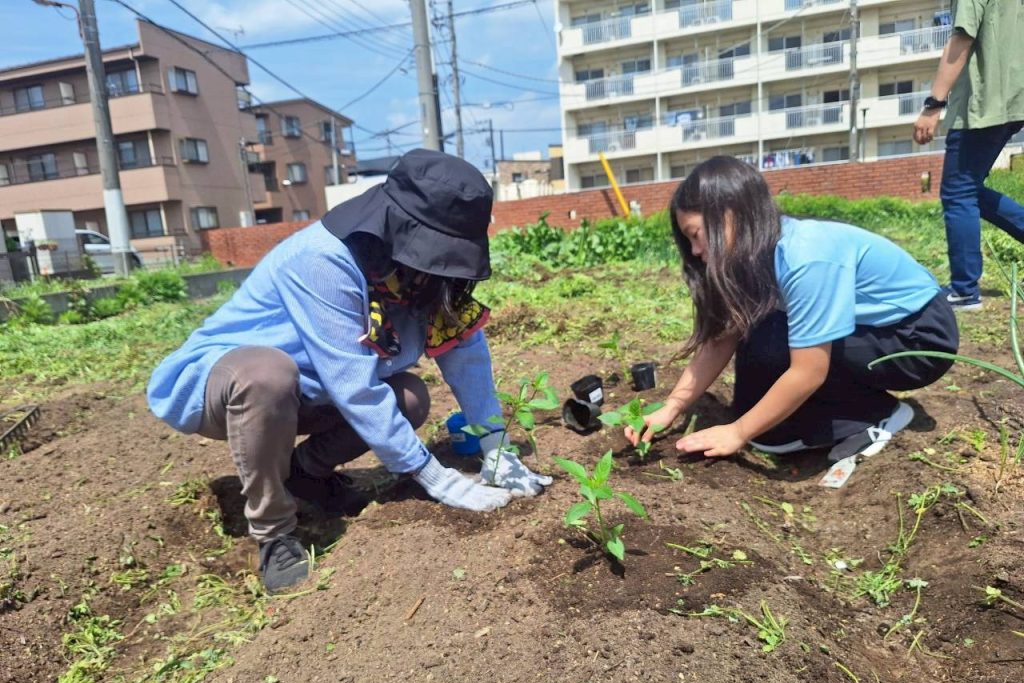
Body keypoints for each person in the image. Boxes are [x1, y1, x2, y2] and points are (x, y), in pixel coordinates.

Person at [147, 150, 551, 593]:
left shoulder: (419, 274)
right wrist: (438, 479)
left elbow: (464, 351)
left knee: (409, 397)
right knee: (267, 374)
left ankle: (305, 472)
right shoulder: (324, 258)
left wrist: (496, 449)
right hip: (227, 388)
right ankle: (273, 530)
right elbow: (354, 386)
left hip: (310, 392)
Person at [627, 156, 960, 462]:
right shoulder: (752, 257)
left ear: (731, 213)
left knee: (773, 357)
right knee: (766, 418)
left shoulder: (804, 256)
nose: (696, 251)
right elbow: (721, 340)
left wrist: (738, 432)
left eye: (696, 236)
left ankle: (876, 413)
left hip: (917, 337)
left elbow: (809, 370)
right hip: (872, 332)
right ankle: (827, 414)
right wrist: (671, 407)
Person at [912, 0, 1024, 311]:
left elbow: (962, 38)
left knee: (958, 191)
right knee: (969, 188)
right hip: (1014, 97)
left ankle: (964, 291)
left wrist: (933, 104)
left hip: (985, 101)